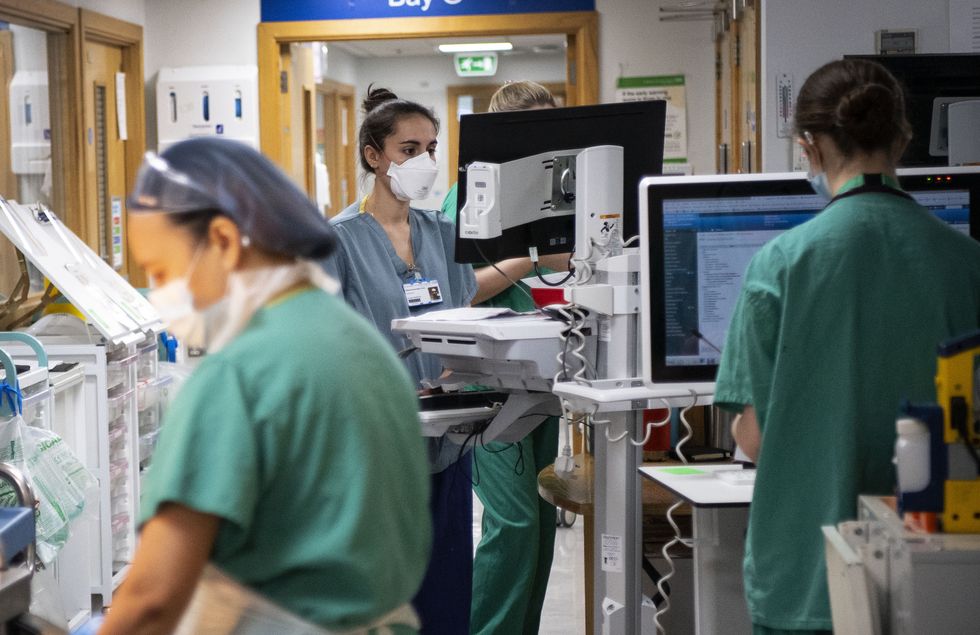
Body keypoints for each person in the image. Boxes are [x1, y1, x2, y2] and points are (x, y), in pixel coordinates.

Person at [100, 137, 431, 634]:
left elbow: (152, 600)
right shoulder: (358, 341)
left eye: (161, 270)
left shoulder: (238, 372)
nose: (160, 296)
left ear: (224, 242)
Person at [714, 58, 980, 635]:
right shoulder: (969, 264)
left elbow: (755, 438)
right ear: (904, 138)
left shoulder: (779, 266)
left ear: (807, 149)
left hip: (809, 578)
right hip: (949, 577)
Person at [322, 86, 477, 634]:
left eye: (431, 148)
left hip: (448, 447)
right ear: (374, 155)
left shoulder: (443, 234)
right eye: (409, 149)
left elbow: (463, 323)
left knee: (447, 601)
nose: (424, 162)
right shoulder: (338, 242)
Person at [441, 80, 568, 635]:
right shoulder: (471, 195)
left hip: (546, 375)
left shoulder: (555, 195)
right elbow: (461, 290)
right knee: (513, 522)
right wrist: (532, 257)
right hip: (489, 383)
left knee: (538, 517)